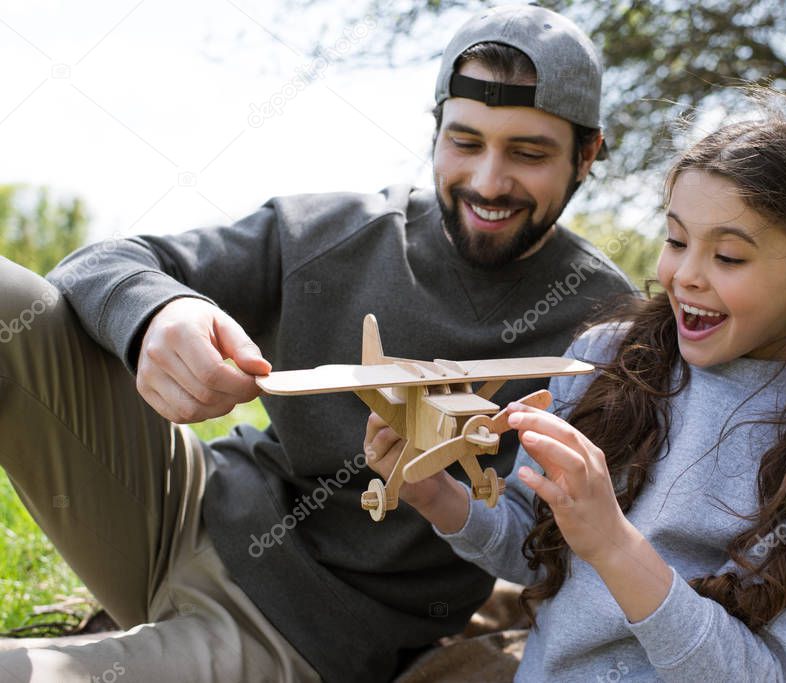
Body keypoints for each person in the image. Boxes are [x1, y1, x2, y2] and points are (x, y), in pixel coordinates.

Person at [0, 6, 634, 682]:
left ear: (587, 153)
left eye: (528, 153)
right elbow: (102, 263)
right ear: (435, 130)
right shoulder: (330, 230)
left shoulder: (614, 331)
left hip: (298, 632)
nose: (487, 180)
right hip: (184, 504)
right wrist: (160, 310)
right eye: (465, 141)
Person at [365, 118, 786, 681]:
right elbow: (532, 552)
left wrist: (615, 546)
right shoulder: (603, 359)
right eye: (676, 240)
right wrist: (435, 493)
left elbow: (761, 673)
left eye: (729, 257)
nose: (684, 275)